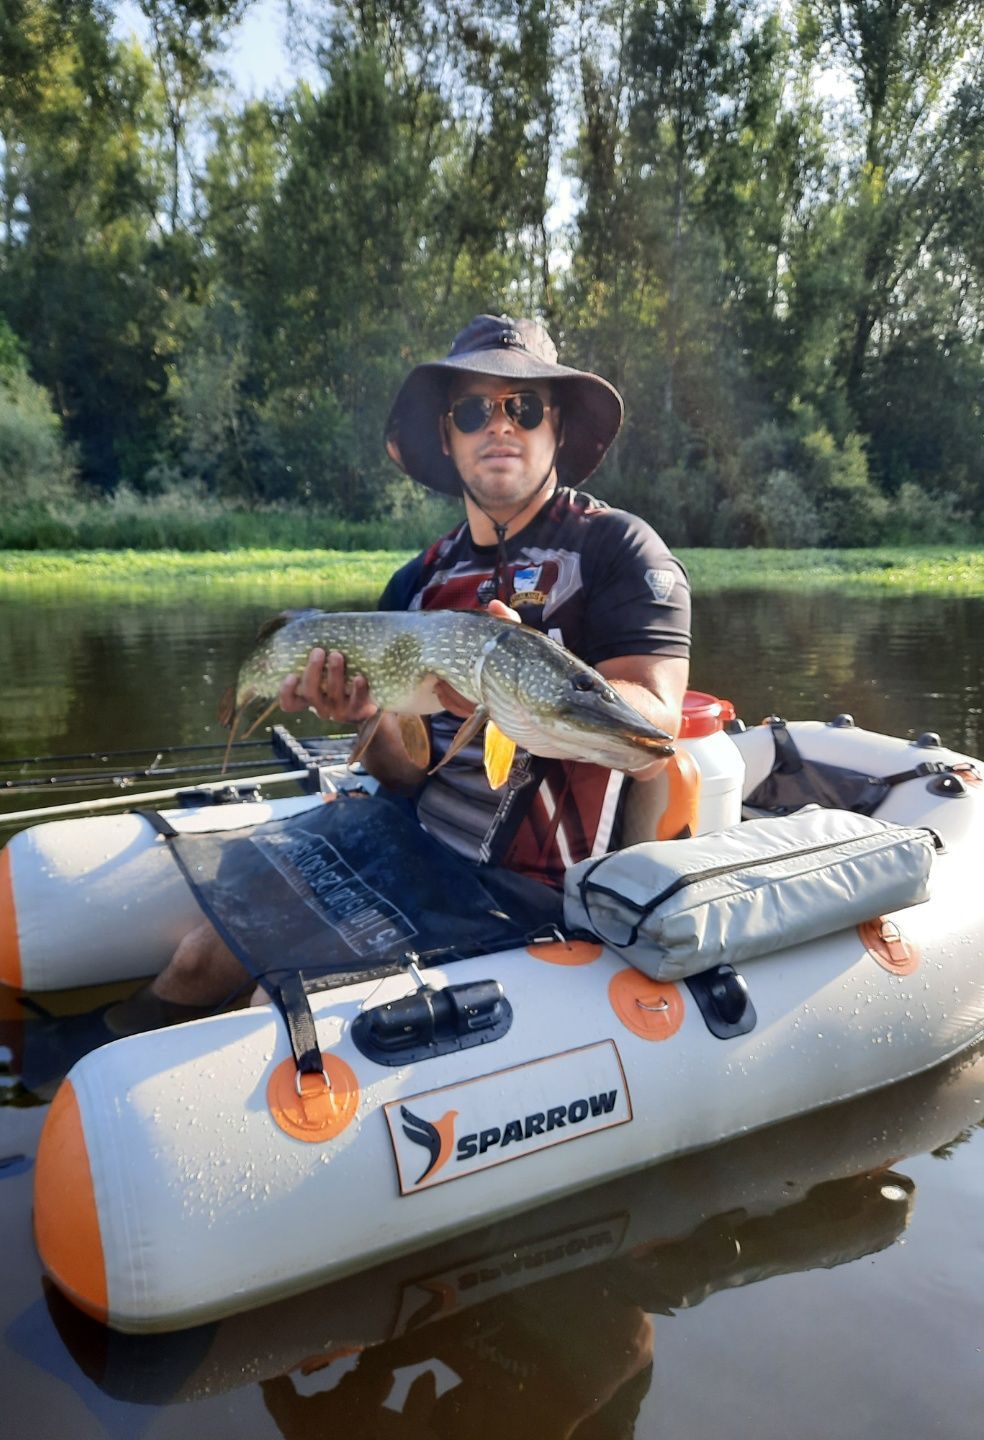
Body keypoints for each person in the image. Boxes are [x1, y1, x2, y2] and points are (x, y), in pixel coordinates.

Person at [109, 314, 690, 1030]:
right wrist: (360, 717)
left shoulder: (618, 549)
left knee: (276, 1004)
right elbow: (405, 774)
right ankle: (56, 1081)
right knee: (199, 957)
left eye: (525, 408)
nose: (499, 426)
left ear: (558, 428)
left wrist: (528, 677)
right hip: (412, 846)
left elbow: (656, 717)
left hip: (524, 891)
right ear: (447, 438)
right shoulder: (416, 583)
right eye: (474, 411)